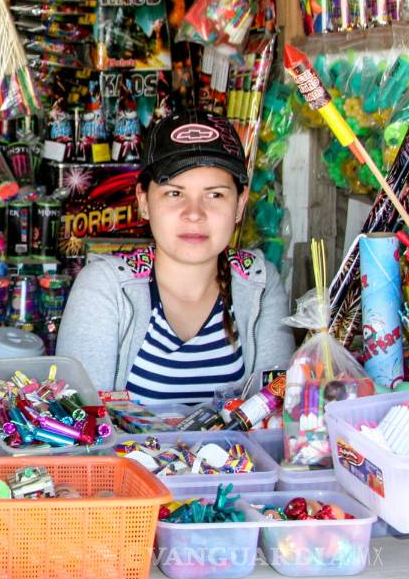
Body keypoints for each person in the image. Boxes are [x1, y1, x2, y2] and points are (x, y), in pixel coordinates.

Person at [56, 110, 294, 403]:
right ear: (144, 202)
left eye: (215, 194)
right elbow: (79, 422)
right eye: (174, 194)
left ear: (240, 203)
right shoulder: (105, 288)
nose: (194, 213)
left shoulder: (259, 282)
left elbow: (276, 412)